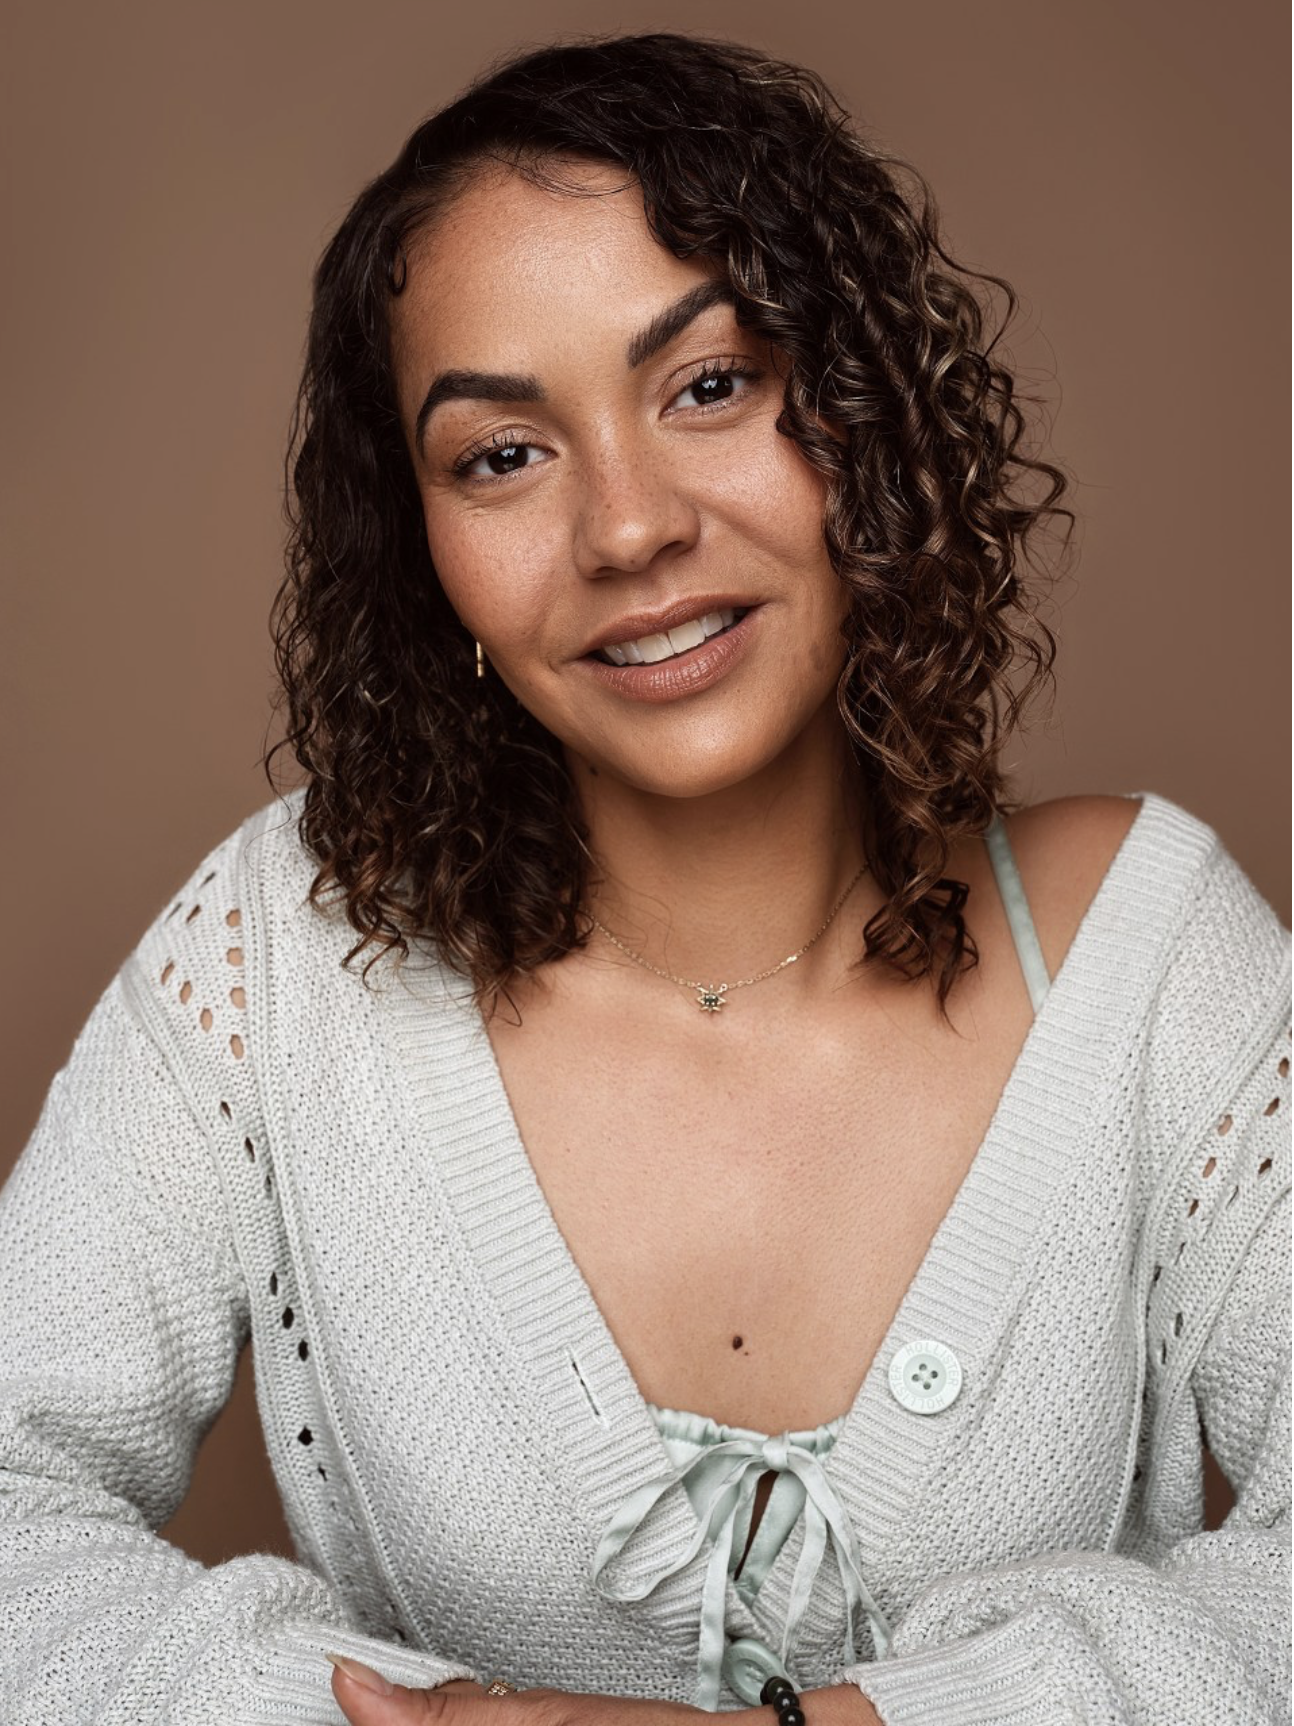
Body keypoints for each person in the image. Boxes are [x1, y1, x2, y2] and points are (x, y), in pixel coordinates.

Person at [0, 31, 1288, 1726]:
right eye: (502, 454)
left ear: (863, 416)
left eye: (707, 385)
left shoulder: (1147, 952)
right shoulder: (275, 954)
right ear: (425, 547)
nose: (625, 528)